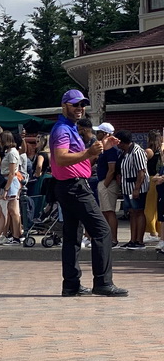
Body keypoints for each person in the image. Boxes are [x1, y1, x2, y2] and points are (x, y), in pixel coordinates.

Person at [50, 90, 126, 297]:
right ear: (64, 105)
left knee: (72, 236)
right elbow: (61, 158)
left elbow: (78, 161)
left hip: (68, 186)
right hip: (74, 188)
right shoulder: (62, 130)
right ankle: (103, 282)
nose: (79, 108)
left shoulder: (69, 129)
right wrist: (89, 152)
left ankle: (71, 285)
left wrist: (98, 151)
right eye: (75, 105)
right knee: (102, 231)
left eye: (82, 105)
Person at [117, 130, 149, 249]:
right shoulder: (124, 152)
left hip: (136, 187)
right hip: (127, 187)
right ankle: (132, 239)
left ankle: (139, 241)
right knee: (132, 212)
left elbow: (141, 171)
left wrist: (137, 189)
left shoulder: (137, 152)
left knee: (139, 211)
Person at [93, 122, 120, 246]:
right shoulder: (104, 149)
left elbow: (112, 169)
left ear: (105, 134)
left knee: (109, 211)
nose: (96, 134)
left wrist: (105, 184)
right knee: (104, 211)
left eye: (98, 132)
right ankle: (107, 238)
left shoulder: (111, 150)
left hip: (108, 183)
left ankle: (113, 239)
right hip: (103, 182)